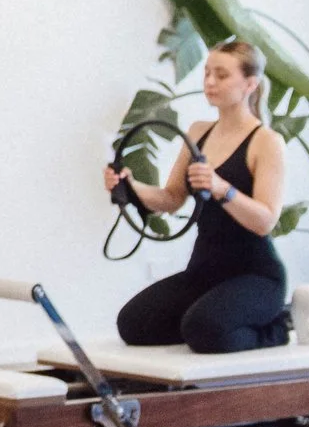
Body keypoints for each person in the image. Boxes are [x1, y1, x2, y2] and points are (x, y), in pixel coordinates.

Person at [104, 40, 290, 352]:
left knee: (204, 331)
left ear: (250, 84)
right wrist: (130, 186)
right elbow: (171, 198)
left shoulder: (266, 141)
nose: (210, 82)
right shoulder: (198, 132)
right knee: (133, 324)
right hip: (204, 272)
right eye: (207, 74)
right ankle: (206, 319)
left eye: (221, 75)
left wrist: (222, 188)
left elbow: (265, 221)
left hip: (255, 276)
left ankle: (276, 329)